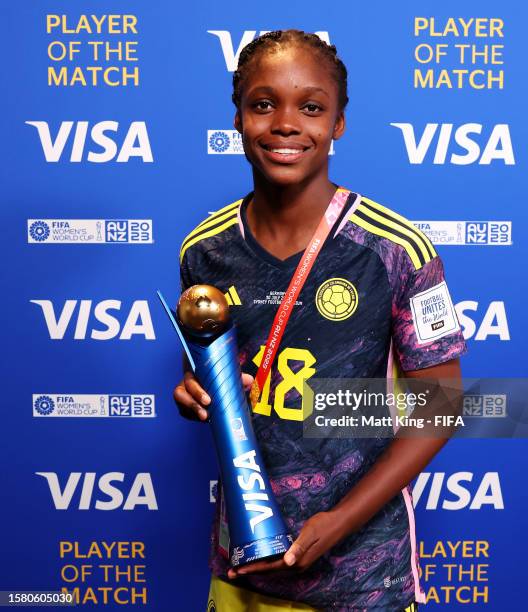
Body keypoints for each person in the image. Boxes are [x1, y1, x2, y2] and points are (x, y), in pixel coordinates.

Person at [174, 30, 466, 612]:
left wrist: (341, 521)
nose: (285, 123)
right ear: (237, 118)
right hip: (243, 570)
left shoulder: (395, 248)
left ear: (338, 124)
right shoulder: (204, 252)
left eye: (310, 107)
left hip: (364, 576)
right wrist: (197, 393)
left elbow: (442, 405)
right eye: (263, 104)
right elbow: (222, 381)